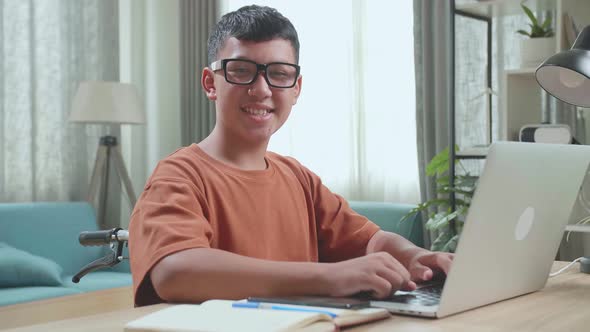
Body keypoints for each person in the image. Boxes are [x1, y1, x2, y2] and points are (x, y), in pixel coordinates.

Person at [129, 4, 453, 307]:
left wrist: (413, 257)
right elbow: (175, 271)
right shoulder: (178, 175)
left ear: (296, 88)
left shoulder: (298, 178)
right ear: (210, 83)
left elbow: (370, 241)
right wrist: (329, 278)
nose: (261, 89)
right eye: (240, 71)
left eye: (279, 74)